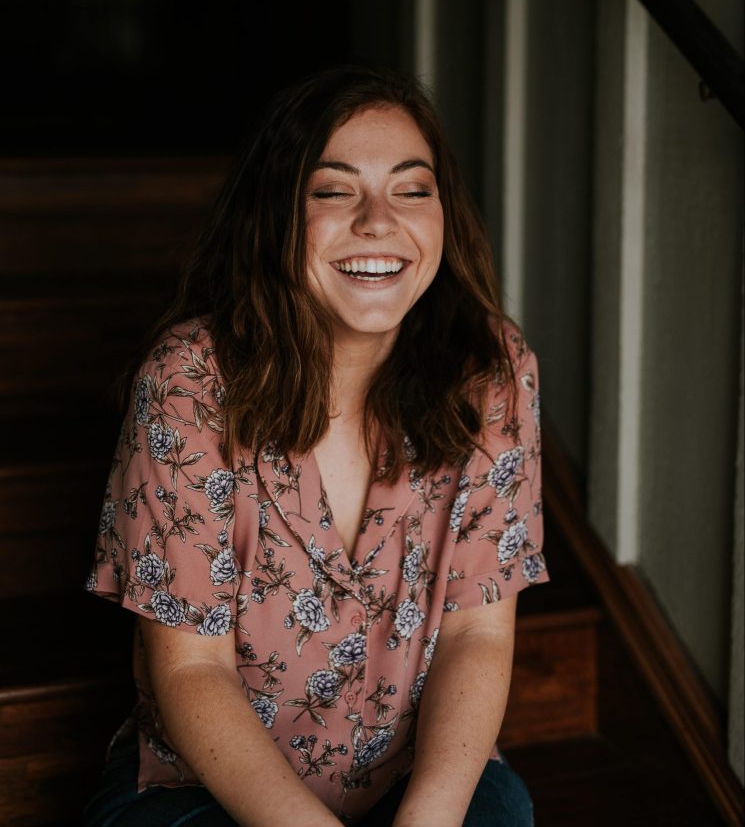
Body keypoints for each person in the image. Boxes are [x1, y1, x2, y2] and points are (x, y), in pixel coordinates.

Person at [84, 66, 548, 827]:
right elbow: (192, 669)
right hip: (210, 787)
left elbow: (475, 633)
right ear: (275, 214)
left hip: (412, 774)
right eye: (333, 191)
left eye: (411, 188)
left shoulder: (489, 373)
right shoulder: (189, 379)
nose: (377, 220)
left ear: (444, 215)